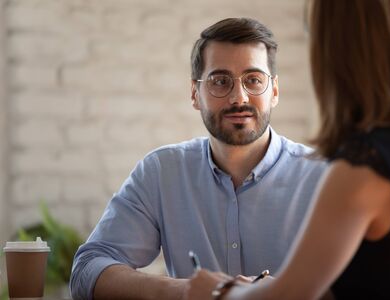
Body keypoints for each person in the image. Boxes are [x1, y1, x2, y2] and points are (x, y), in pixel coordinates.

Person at [186, 1, 390, 299]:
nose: (239, 97)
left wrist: (218, 291)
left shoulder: (363, 167)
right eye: (221, 81)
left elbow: (291, 296)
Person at [69, 17, 327, 300]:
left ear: (274, 91)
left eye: (253, 80)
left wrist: (279, 293)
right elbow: (87, 270)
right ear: (195, 94)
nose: (238, 97)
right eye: (220, 81)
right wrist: (186, 290)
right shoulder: (161, 172)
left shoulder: (322, 176)